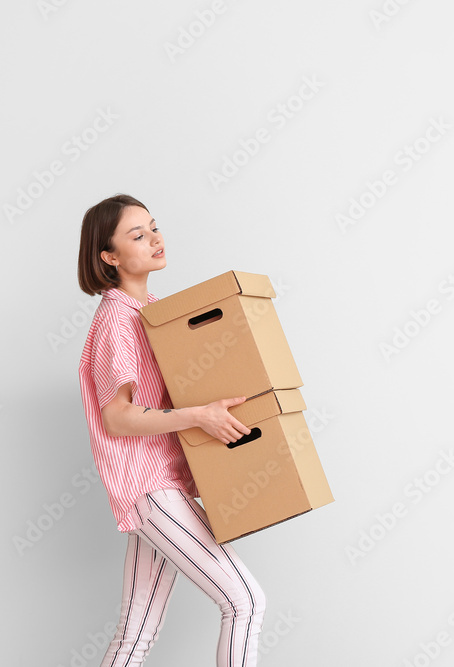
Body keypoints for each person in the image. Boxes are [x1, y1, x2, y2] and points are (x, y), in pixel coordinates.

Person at [76, 193, 266, 667]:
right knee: (244, 602)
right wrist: (201, 415)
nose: (155, 239)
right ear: (109, 256)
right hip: (150, 486)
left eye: (154, 228)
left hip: (166, 482)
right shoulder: (117, 321)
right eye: (137, 235)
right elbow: (117, 417)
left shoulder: (155, 313)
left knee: (135, 632)